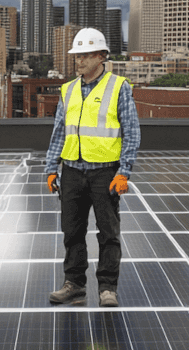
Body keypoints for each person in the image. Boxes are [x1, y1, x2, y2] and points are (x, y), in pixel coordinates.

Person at [45, 27, 140, 307]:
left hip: (105, 173)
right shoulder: (68, 90)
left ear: (101, 56)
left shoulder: (118, 87)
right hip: (72, 171)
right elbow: (59, 132)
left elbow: (131, 133)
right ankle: (73, 284)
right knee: (72, 231)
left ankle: (107, 288)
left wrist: (124, 172)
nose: (80, 61)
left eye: (86, 55)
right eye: (77, 56)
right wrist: (52, 169)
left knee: (108, 233)